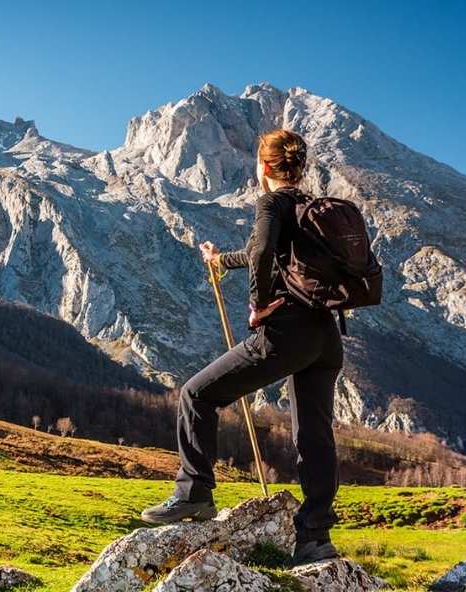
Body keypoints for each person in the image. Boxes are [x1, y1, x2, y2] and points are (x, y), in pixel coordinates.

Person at [139, 128, 343, 565]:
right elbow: (260, 251)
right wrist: (219, 260)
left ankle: (194, 494)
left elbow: (265, 248)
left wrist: (258, 303)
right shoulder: (312, 210)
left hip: (287, 332)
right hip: (326, 336)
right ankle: (315, 538)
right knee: (313, 435)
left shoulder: (271, 202)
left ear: (264, 167)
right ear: (300, 167)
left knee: (198, 394)